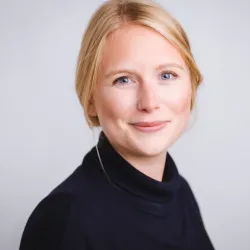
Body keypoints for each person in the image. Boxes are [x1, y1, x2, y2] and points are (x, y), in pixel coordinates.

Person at [19, 0, 215, 249]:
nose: (149, 102)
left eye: (167, 75)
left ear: (192, 85)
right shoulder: (64, 219)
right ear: (90, 99)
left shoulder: (179, 193)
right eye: (124, 80)